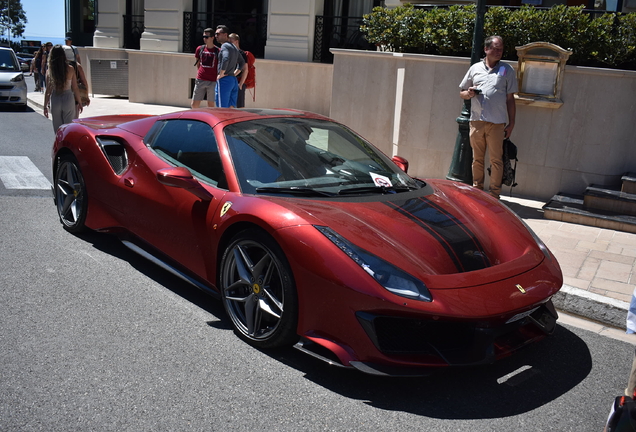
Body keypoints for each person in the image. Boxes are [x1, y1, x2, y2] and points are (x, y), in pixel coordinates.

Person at [459, 35, 517, 199]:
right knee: (477, 159)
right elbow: (462, 92)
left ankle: (494, 195)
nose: (499, 52)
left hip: (497, 123)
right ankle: (477, 191)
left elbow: (510, 99)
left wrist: (512, 123)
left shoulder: (507, 70)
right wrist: (469, 93)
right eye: (496, 48)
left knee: (496, 160)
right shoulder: (475, 68)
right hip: (477, 122)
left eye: (501, 49)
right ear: (486, 49)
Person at [43, 45, 84, 132]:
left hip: (56, 98)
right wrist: (79, 102)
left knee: (58, 129)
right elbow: (75, 87)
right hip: (68, 97)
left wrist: (45, 106)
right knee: (69, 128)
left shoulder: (50, 71)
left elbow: (48, 91)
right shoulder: (70, 69)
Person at [214, 25, 246, 108]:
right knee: (231, 108)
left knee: (222, 108)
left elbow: (225, 58)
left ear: (225, 34)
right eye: (215, 34)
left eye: (218, 34)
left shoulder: (224, 46)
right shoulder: (234, 47)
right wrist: (235, 73)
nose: (216, 36)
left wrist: (221, 73)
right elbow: (242, 62)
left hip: (225, 80)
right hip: (233, 80)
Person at [191, 28, 219, 109]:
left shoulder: (218, 51)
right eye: (203, 36)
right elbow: (198, 62)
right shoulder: (200, 49)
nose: (204, 39)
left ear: (212, 37)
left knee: (211, 105)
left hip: (213, 81)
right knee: (194, 104)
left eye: (207, 37)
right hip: (201, 79)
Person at [228, 33, 249, 108]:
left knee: (239, 105)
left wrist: (240, 84)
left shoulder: (241, 54)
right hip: (230, 80)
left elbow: (245, 70)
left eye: (231, 41)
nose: (229, 43)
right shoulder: (229, 53)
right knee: (230, 104)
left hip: (238, 81)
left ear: (236, 41)